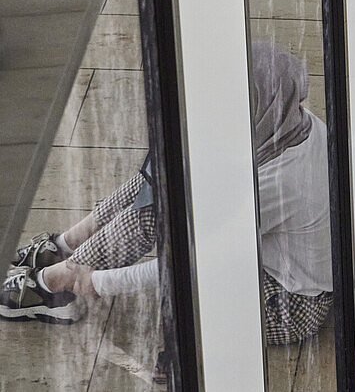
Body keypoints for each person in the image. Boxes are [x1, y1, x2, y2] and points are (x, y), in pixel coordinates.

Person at [2, 42, 334, 347]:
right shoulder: (291, 125)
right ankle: (67, 248)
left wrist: (99, 283)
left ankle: (59, 285)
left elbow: (193, 262)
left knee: (177, 276)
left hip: (289, 305)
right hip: (269, 259)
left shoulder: (276, 186)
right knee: (169, 175)